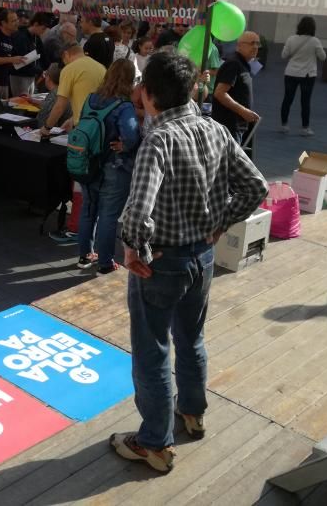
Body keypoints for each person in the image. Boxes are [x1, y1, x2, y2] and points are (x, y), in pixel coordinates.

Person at [112, 51, 268, 473]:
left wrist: (134, 250)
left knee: (152, 352)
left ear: (147, 94)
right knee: (191, 338)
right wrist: (220, 222)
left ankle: (155, 443)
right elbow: (256, 185)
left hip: (162, 262)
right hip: (202, 256)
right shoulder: (214, 128)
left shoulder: (158, 140)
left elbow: (135, 214)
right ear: (193, 88)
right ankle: (193, 412)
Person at [76, 60, 141, 275]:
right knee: (108, 215)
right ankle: (105, 262)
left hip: (88, 164)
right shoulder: (124, 106)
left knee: (88, 210)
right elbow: (131, 135)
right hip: (115, 165)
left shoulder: (91, 98)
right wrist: (127, 145)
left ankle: (85, 255)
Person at [39, 41, 106, 135]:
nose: (64, 64)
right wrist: (72, 119)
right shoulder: (101, 68)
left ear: (66, 54)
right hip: (100, 125)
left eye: (63, 60)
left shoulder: (69, 69)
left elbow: (60, 106)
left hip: (82, 127)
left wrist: (46, 127)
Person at [211, 31, 261, 144]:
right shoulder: (234, 63)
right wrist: (243, 111)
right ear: (239, 45)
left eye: (257, 44)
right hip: (228, 127)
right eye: (251, 43)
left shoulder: (242, 63)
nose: (255, 47)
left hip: (236, 126)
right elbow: (220, 93)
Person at [279, 16, 326, 136]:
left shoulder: (291, 39)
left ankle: (284, 125)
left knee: (287, 99)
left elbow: (284, 55)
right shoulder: (315, 41)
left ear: (299, 26)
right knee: (305, 101)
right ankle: (305, 128)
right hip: (308, 75)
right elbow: (323, 57)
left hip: (290, 73)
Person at [10, 11, 40, 96]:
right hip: (19, 74)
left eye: (26, 20)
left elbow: (41, 52)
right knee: (21, 101)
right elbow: (21, 57)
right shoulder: (18, 36)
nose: (24, 22)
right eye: (18, 20)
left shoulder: (34, 37)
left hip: (31, 75)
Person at [37, 62, 72, 129]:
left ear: (48, 77)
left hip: (54, 134)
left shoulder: (54, 96)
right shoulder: (67, 92)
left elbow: (42, 123)